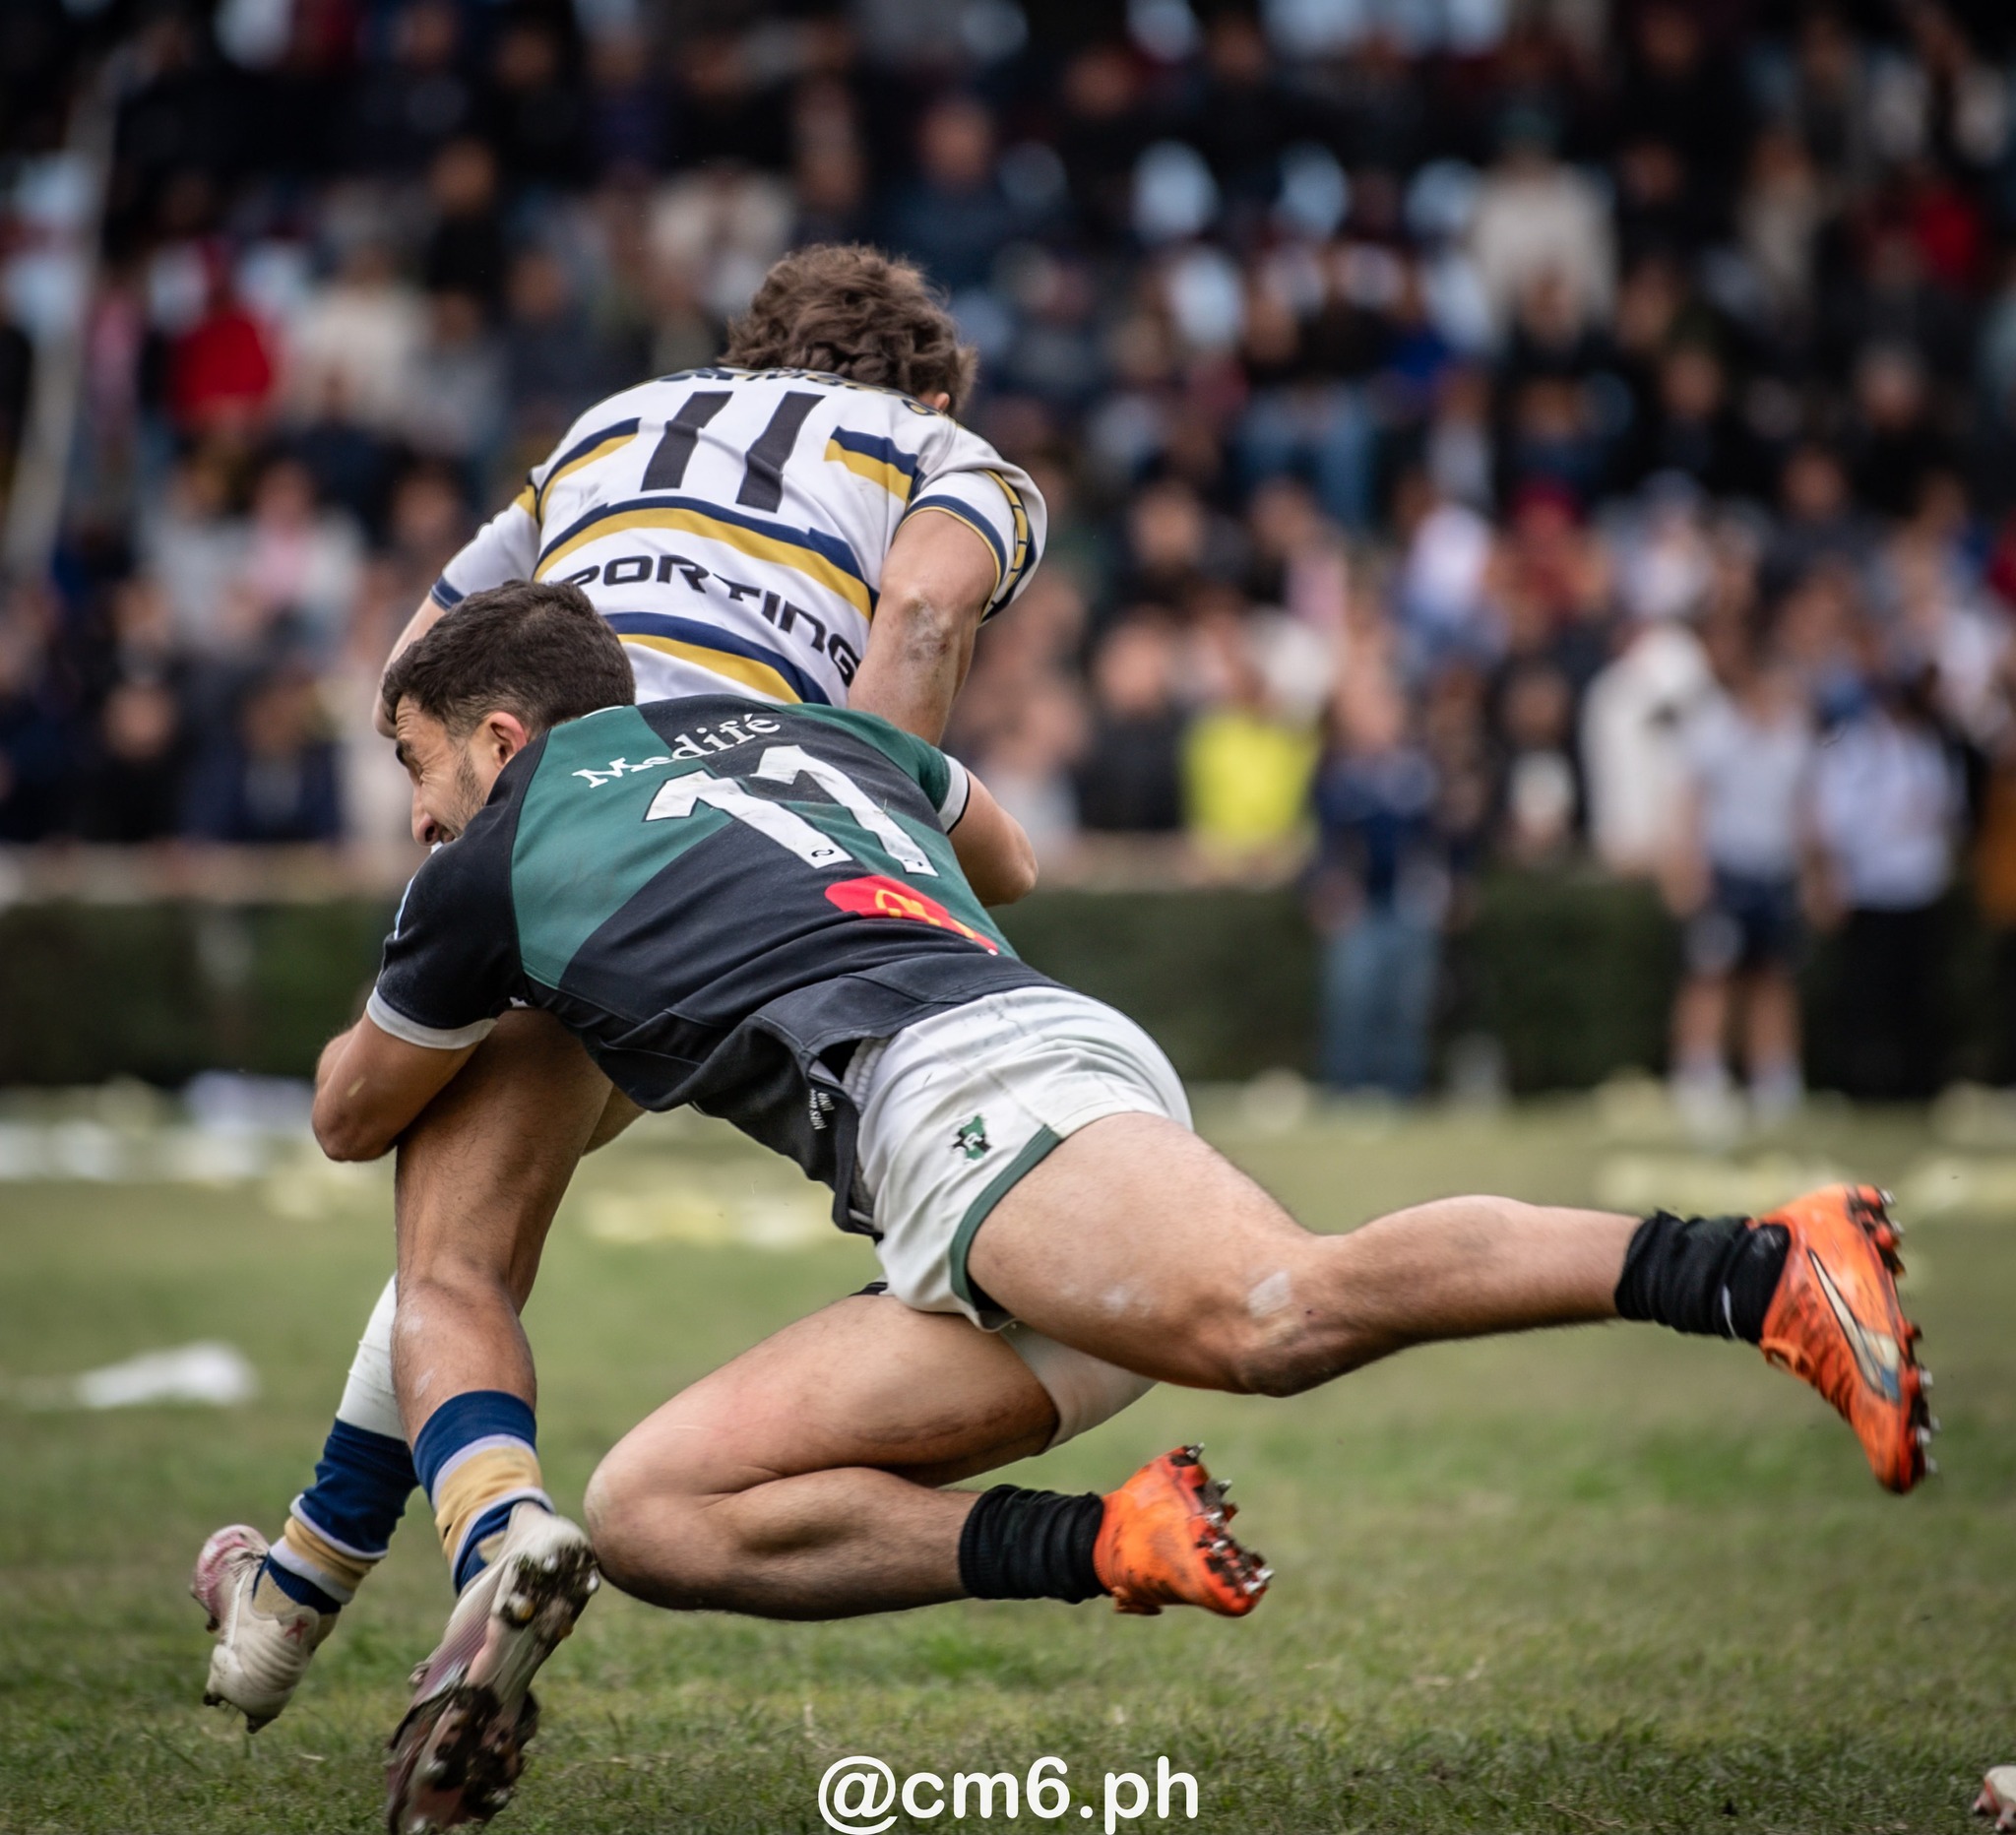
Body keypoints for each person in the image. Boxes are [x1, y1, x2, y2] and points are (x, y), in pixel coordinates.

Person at [310, 583, 1929, 1832]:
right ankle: (1115, 1537)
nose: (416, 810)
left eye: (414, 762)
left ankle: (1762, 1263)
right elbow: (998, 851)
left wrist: (530, 953)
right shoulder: (796, 726)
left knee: (1278, 1309)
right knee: (661, 1508)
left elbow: (351, 1109)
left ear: (501, 740)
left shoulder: (489, 860)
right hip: (1004, 1108)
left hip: (966, 1096)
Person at [190, 246, 1047, 1753]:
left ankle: (314, 1594)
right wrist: (875, 843)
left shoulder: (613, 417)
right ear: (923, 388)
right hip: (744, 840)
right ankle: (298, 1595)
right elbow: (919, 619)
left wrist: (448, 817)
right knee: (457, 1255)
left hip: (544, 804)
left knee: (452, 1246)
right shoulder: (943, 449)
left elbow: (423, 651)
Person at [1664, 615, 1818, 1130]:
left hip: (1773, 871)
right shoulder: (1718, 731)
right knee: (1711, 974)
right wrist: (1689, 868)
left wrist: (1814, 872)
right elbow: (1691, 804)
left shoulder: (1794, 735)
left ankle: (1774, 1080)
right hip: (1728, 872)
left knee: (1772, 976)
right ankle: (1699, 1077)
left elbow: (1803, 809)